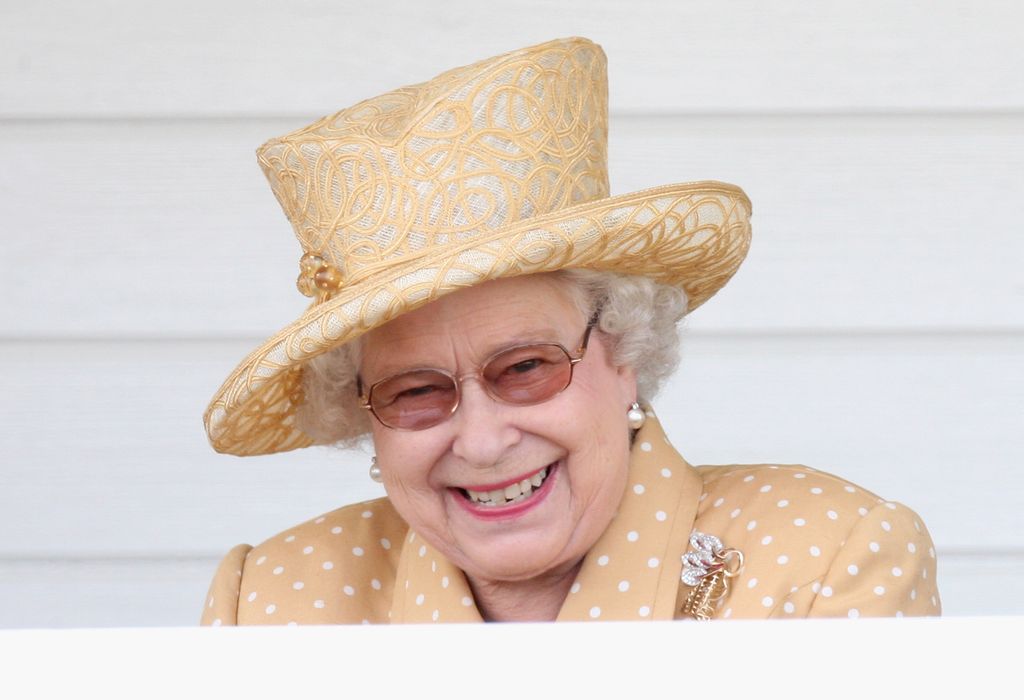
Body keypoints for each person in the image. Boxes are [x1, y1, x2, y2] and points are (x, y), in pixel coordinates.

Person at [200, 37, 940, 624]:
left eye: (525, 368)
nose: (483, 442)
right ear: (365, 418)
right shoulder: (272, 599)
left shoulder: (823, 561)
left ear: (624, 353)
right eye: (415, 390)